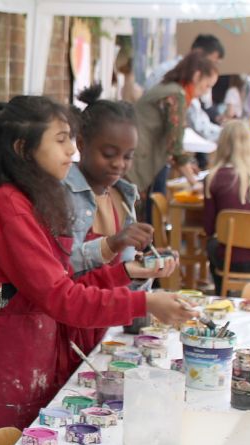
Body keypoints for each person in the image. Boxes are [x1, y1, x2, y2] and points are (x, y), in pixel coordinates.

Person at [0, 96, 193, 445]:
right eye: (62, 139)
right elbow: (62, 297)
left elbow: (63, 279)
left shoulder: (27, 199)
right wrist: (144, 301)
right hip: (11, 361)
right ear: (24, 148)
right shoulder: (8, 207)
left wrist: (126, 272)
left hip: (35, 351)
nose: (73, 150)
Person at [64, 84, 165, 369]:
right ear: (81, 144)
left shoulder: (124, 195)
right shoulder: (62, 196)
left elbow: (122, 270)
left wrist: (147, 268)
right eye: (109, 154)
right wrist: (113, 243)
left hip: (106, 324)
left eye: (128, 156)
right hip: (71, 324)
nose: (119, 164)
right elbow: (59, 270)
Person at [129, 52, 219, 215]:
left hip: (134, 158)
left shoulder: (168, 88)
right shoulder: (176, 94)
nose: (206, 91)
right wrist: (194, 183)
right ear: (197, 76)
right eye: (207, 85)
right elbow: (175, 145)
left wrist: (186, 165)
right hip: (136, 163)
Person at [204, 119, 250, 292]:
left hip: (231, 261)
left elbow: (209, 229)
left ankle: (221, 294)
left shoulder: (215, 178)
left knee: (211, 244)